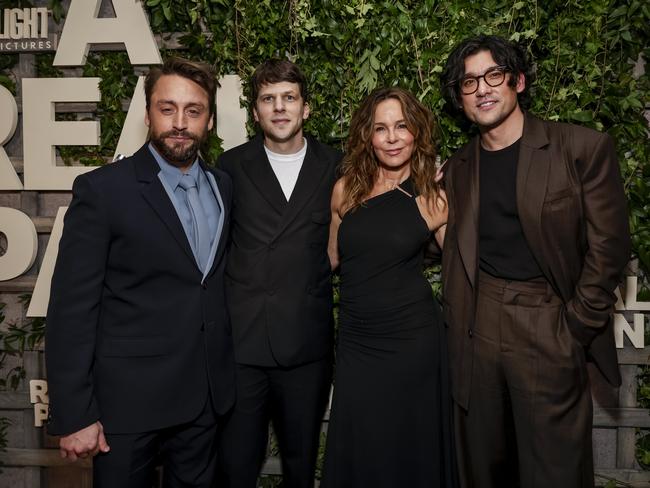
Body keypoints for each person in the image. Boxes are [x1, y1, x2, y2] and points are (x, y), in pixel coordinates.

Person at [439, 35, 631, 487]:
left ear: (518, 81)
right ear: (460, 98)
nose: (482, 89)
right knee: (485, 466)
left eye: (493, 75)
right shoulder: (459, 167)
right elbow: (447, 245)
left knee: (555, 468)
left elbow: (610, 248)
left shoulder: (580, 148)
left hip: (549, 322)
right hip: (477, 325)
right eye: (469, 82)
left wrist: (575, 328)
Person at [45, 57, 235, 487]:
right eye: (167, 109)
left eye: (194, 110)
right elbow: (72, 309)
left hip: (204, 400)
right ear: (148, 114)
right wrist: (76, 413)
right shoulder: (103, 190)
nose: (180, 123)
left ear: (209, 119)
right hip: (126, 407)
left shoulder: (223, 186)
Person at [322, 87, 456, 488]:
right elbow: (328, 262)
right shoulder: (346, 190)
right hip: (357, 342)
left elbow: (468, 267)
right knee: (361, 443)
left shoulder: (434, 197)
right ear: (368, 136)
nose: (393, 137)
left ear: (417, 132)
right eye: (381, 129)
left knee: (409, 445)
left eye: (401, 126)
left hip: (412, 342)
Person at [216, 59, 341, 488]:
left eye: (289, 98)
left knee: (301, 467)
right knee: (235, 467)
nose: (280, 107)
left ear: (306, 108)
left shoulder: (336, 165)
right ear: (255, 112)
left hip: (306, 347)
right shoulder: (230, 167)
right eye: (269, 99)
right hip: (243, 348)